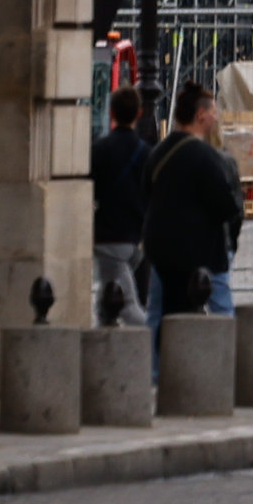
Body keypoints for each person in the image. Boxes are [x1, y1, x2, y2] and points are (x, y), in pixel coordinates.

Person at [140, 79, 241, 328]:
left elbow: (145, 194)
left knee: (158, 313)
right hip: (199, 252)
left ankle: (154, 366)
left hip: (161, 249)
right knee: (219, 309)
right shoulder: (205, 156)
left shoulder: (159, 152)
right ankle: (222, 360)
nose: (216, 118)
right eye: (213, 112)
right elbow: (226, 205)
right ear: (201, 115)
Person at [88, 84, 153, 327]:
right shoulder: (147, 153)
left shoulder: (99, 150)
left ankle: (154, 345)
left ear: (112, 112)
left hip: (109, 239)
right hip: (137, 239)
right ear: (139, 113)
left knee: (124, 305)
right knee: (108, 304)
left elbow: (88, 191)